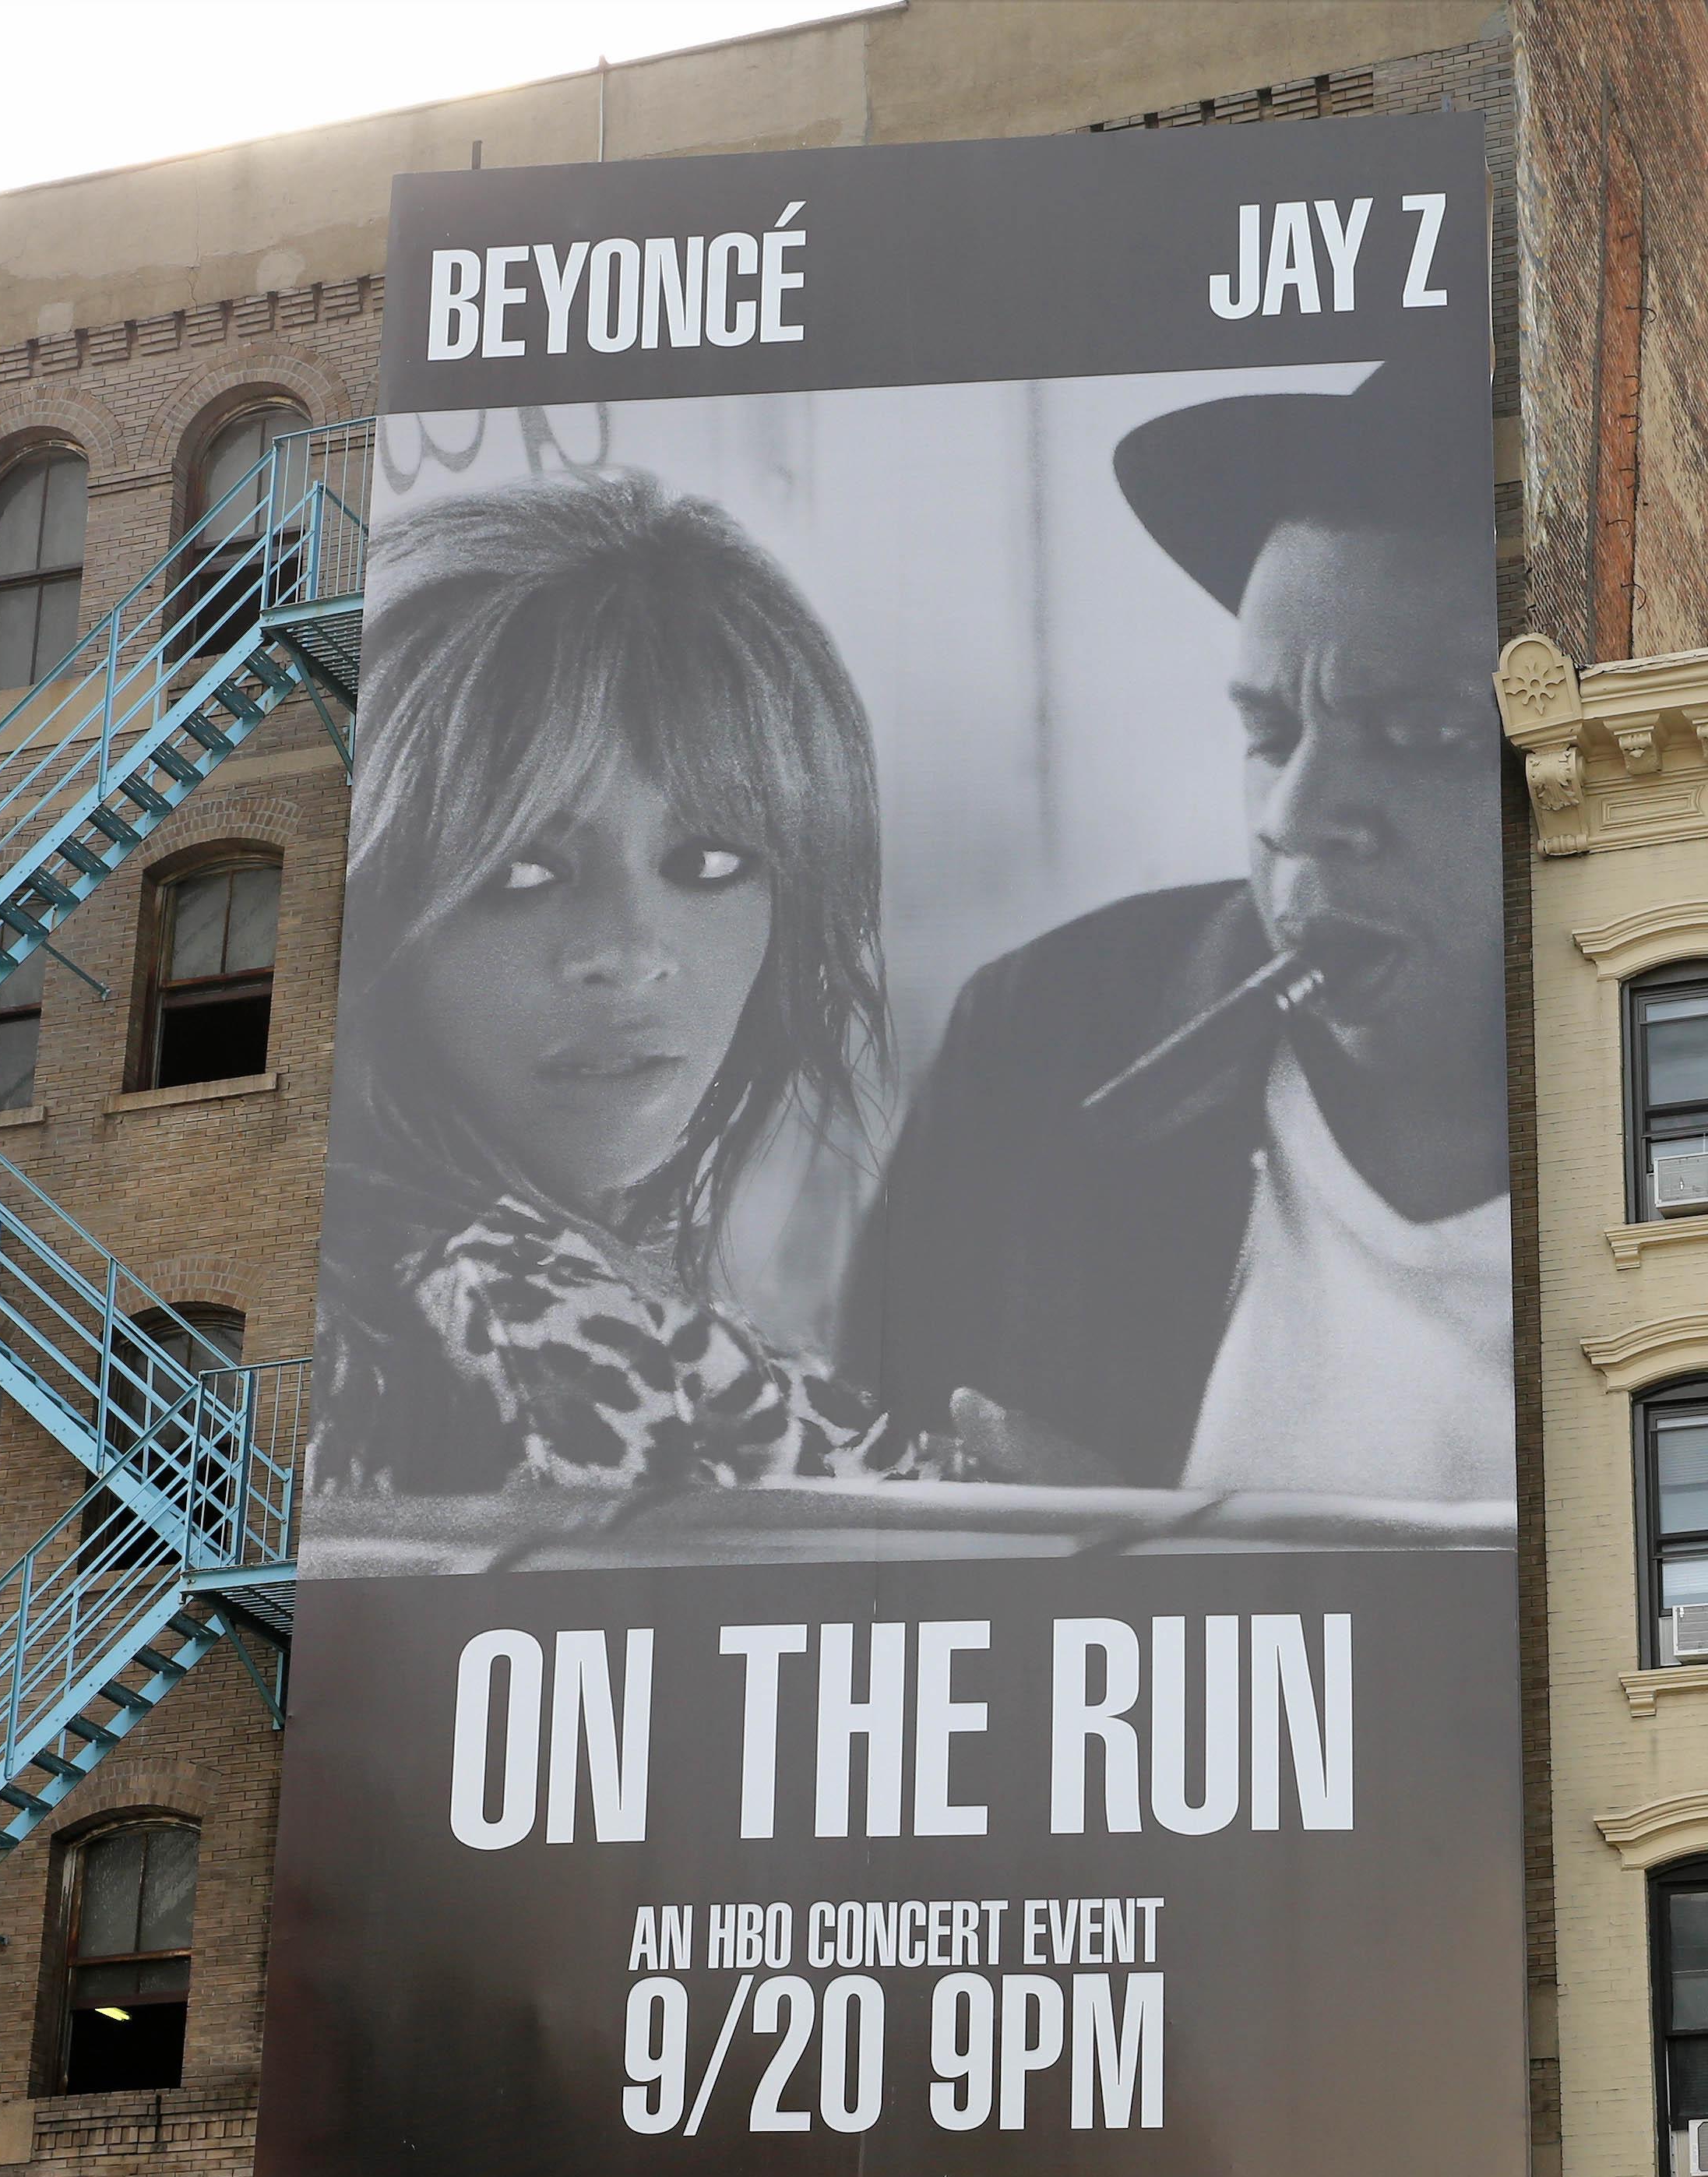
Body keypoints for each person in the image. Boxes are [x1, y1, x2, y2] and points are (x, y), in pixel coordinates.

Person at [845, 361, 1509, 1499]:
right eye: (1268, 731)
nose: (1293, 817)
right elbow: (850, 1531)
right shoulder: (1039, 1047)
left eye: (1420, 734)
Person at [315, 467, 945, 1498]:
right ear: (369, 906)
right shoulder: (522, 1303)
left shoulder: (435, 1297)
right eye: (524, 871)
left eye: (707, 864)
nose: (631, 950)